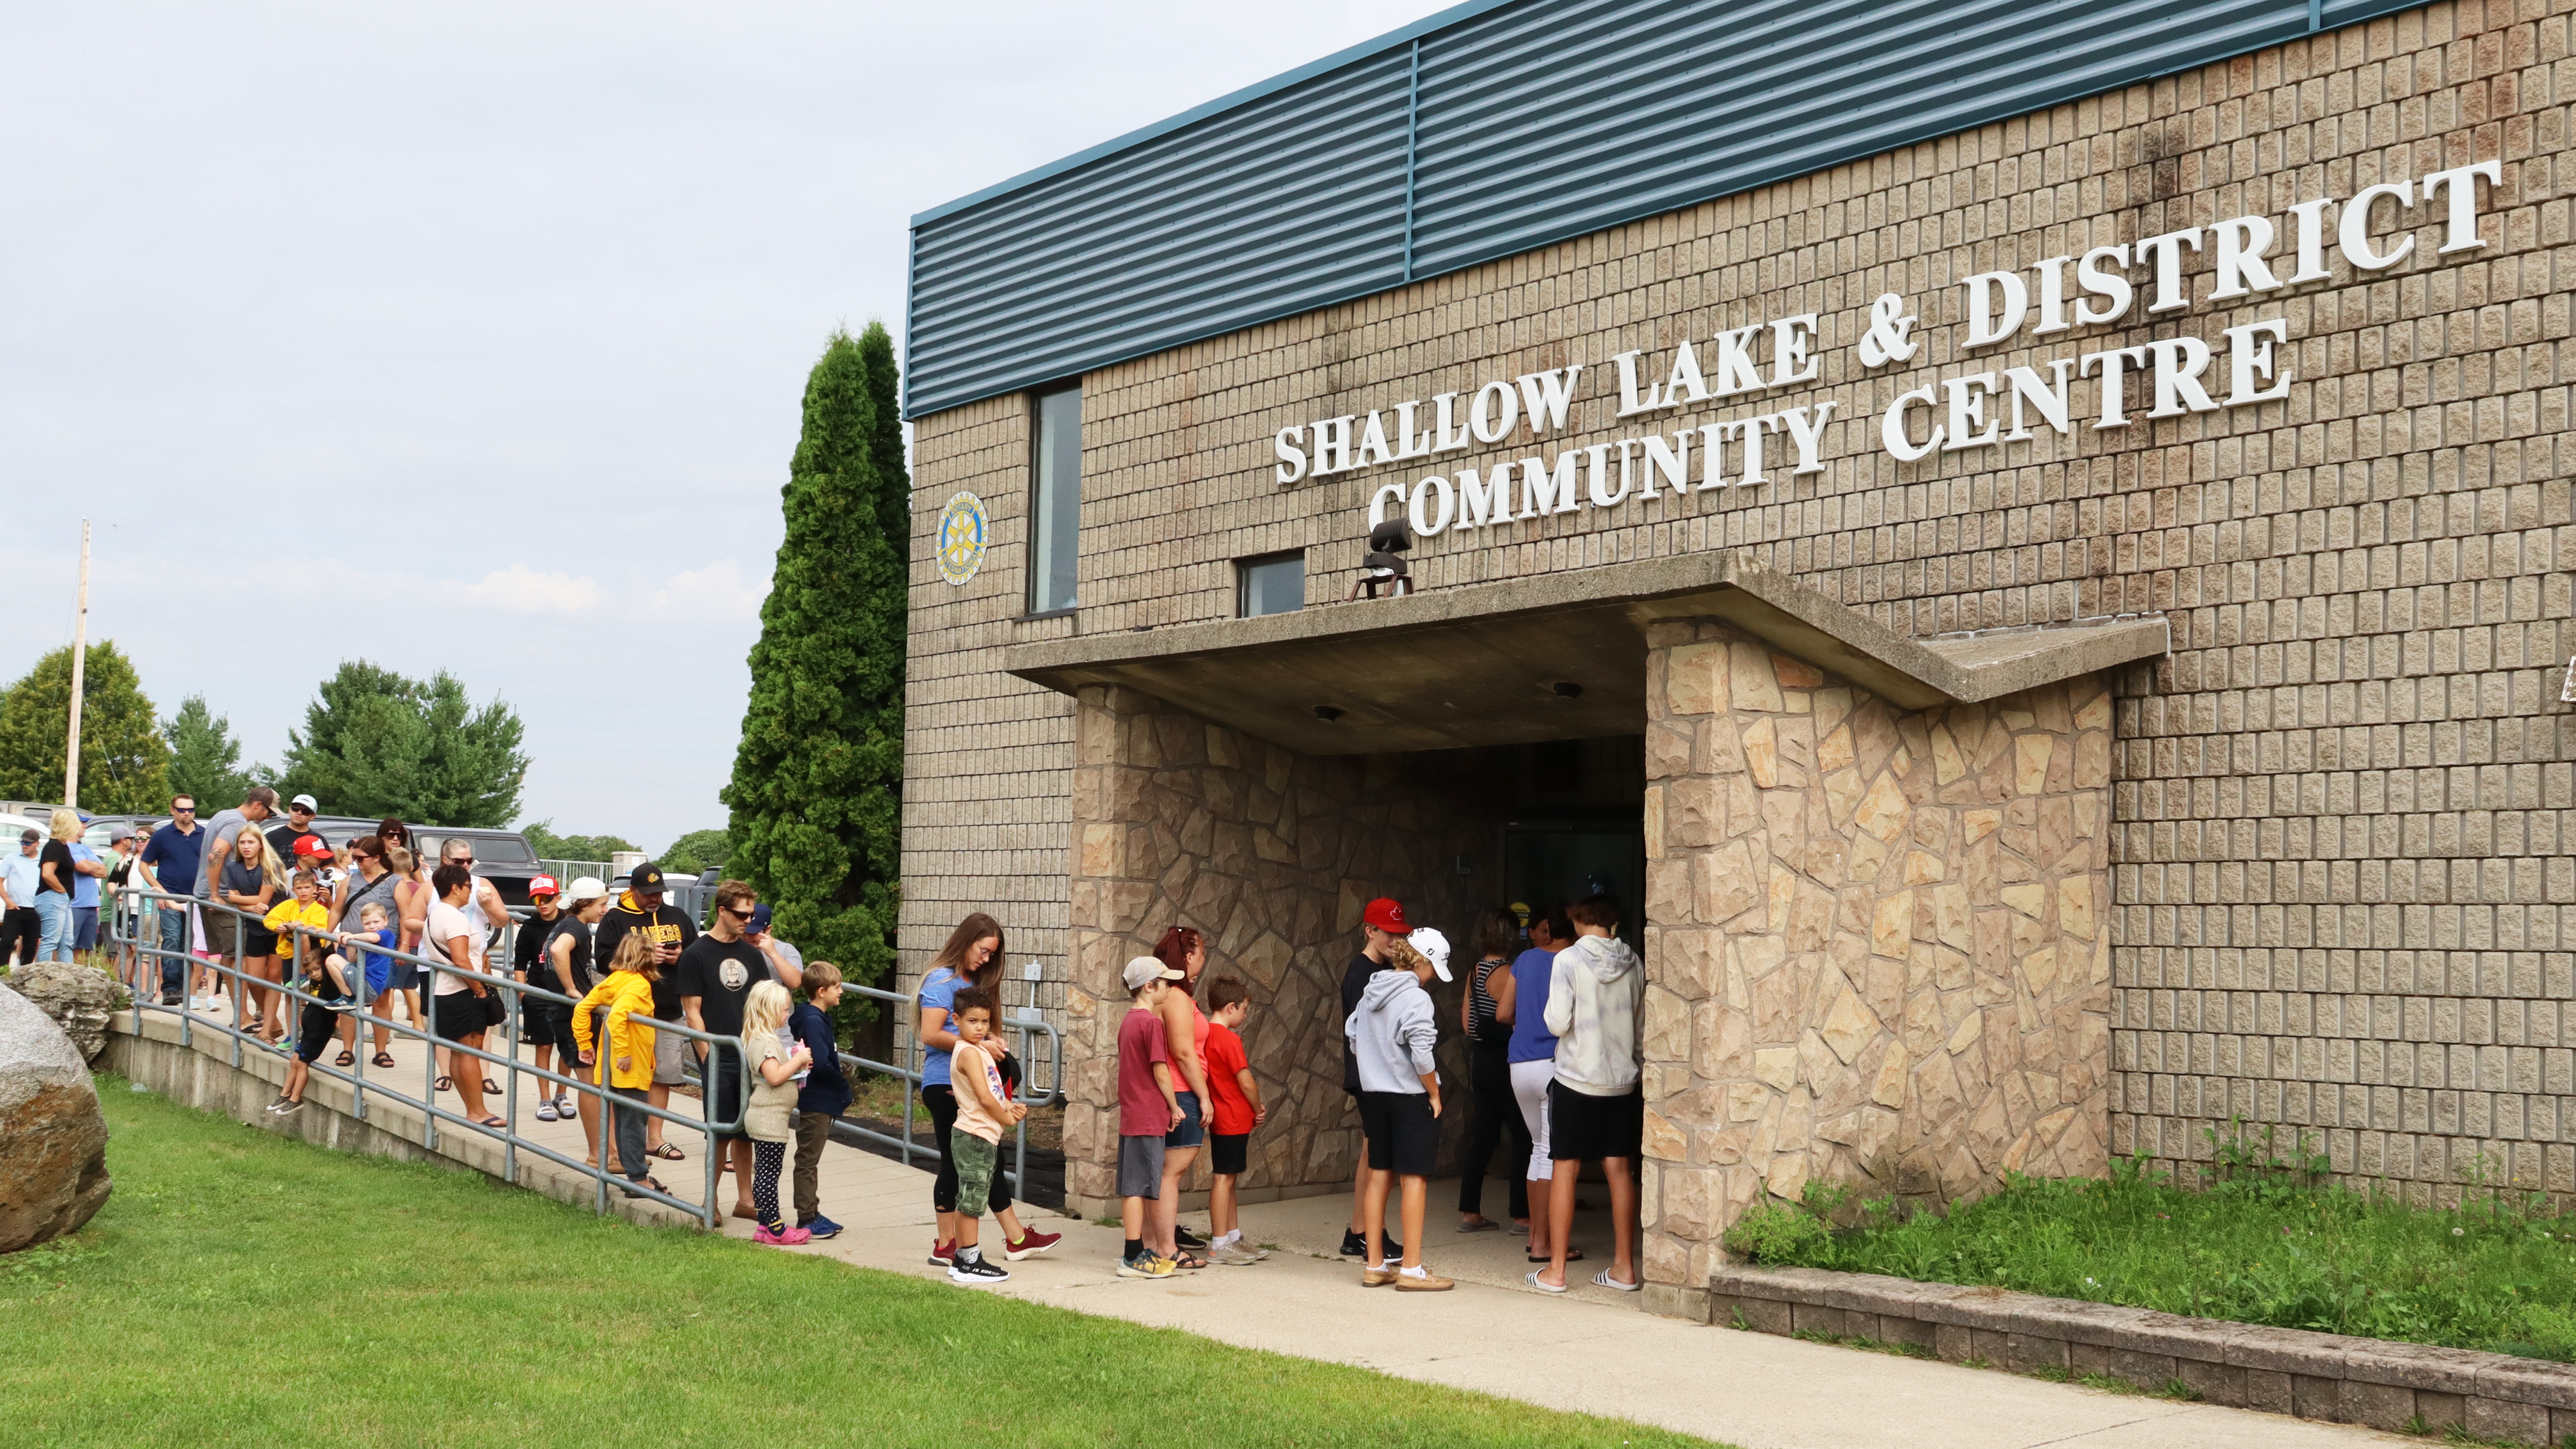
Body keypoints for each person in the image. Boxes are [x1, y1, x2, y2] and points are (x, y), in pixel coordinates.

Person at [915, 913, 1059, 1267]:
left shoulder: (971, 983)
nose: (987, 959)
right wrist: (981, 1047)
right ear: (965, 942)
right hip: (947, 1085)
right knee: (960, 1164)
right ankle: (950, 1244)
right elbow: (930, 1034)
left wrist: (991, 1040)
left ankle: (1015, 1238)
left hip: (969, 1083)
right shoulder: (940, 980)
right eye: (983, 950)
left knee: (985, 1162)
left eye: (993, 954)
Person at [1530, 893, 1645, 1296]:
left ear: (1579, 921)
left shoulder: (1568, 960)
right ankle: (1625, 1269)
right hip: (1621, 1081)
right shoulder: (1634, 962)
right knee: (1620, 1171)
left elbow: (1558, 1022)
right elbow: (1641, 1028)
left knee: (1566, 1166)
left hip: (1577, 1078)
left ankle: (1556, 1272)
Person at [676, 879, 802, 1220]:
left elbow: (765, 1002)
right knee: (720, 1134)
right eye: (741, 914)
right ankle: (710, 1200)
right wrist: (707, 1057)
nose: (748, 920)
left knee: (748, 1130)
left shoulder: (751, 954)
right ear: (721, 911)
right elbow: (693, 1012)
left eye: (750, 914)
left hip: (752, 1057)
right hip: (720, 1057)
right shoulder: (696, 955)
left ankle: (746, 1200)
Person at [1348, 921, 1453, 1291]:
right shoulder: (1416, 998)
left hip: (1375, 1095)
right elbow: (1422, 1054)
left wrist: (1375, 1068)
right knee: (1414, 1180)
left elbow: (1353, 1037)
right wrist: (1434, 1093)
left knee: (1380, 1176)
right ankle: (1411, 1270)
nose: (1432, 979)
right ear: (1423, 962)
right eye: (1433, 970)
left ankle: (1375, 1265)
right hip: (1409, 1098)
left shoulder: (1371, 989)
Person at [592, 861, 696, 1163]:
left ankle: (655, 1138)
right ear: (633, 891)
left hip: (667, 1011)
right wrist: (645, 957)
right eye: (648, 893)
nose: (655, 899)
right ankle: (612, 1146)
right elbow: (603, 962)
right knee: (622, 1079)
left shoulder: (676, 916)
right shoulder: (616, 918)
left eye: (659, 893)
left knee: (662, 1075)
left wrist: (680, 957)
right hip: (629, 1015)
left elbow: (695, 953)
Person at [1338, 897, 1412, 1261]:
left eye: (1401, 934)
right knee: (1377, 1155)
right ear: (1369, 931)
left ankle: (1359, 1232)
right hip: (1369, 1077)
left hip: (1372, 1075)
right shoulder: (1361, 974)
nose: (1396, 941)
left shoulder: (1380, 971)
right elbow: (1359, 1034)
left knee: (1372, 1153)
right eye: (1389, 934)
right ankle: (1369, 1233)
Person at [571, 930, 668, 1197]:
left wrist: (585, 1044)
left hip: (610, 1065)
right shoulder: (639, 985)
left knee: (624, 1120)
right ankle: (638, 1179)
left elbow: (582, 1008)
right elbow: (616, 1018)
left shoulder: (613, 980)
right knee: (635, 1122)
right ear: (647, 958)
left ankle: (631, 1174)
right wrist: (624, 1053)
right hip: (631, 1065)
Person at [942, 986, 1024, 1282]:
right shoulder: (967, 1053)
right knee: (971, 1201)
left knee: (972, 1197)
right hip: (974, 1135)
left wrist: (1010, 1107)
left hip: (983, 1134)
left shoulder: (979, 1050)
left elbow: (994, 1093)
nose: (980, 1028)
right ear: (956, 1020)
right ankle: (970, 1261)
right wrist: (1006, 1119)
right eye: (972, 1021)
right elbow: (985, 1099)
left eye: (985, 1022)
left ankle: (963, 1258)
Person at [1458, 906, 1532, 1232]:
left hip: (1481, 1060)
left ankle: (1470, 1211)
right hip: (1504, 1059)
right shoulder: (1507, 972)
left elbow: (1467, 1025)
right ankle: (1521, 1214)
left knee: (1483, 1136)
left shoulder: (1475, 971)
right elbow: (1518, 1018)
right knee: (1522, 1135)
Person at [1508, 904, 1575, 1267]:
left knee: (1537, 1149)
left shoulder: (1524, 960)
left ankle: (1537, 1237)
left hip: (1519, 1063)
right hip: (1554, 1064)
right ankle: (1543, 1244)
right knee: (1552, 1154)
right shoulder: (1571, 961)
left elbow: (1503, 1013)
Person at [1115, 954, 1185, 1279]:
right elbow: (1161, 1071)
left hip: (1133, 1112)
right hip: (1147, 1114)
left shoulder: (1129, 1021)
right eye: (1166, 982)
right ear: (1149, 986)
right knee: (1139, 1186)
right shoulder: (1152, 1023)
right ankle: (1132, 1256)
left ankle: (1135, 1251)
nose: (1169, 988)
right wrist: (1174, 1106)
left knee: (1135, 1185)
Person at [1147, 925, 1213, 1269]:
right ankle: (1167, 1248)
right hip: (1183, 1092)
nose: (1203, 958)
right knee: (1170, 1174)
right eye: (1201, 952)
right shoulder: (1176, 996)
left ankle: (1151, 1243)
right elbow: (1184, 1053)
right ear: (1189, 957)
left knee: (1161, 1172)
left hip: (1171, 1091)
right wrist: (1205, 1097)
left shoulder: (1166, 995)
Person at [434, 835, 514, 1097]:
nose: (467, 865)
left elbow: (503, 921)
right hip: (455, 971)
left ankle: (484, 1076)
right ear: (445, 860)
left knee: (481, 1028)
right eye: (460, 861)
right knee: (460, 1039)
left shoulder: (481, 886)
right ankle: (452, 1080)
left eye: (470, 861)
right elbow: (411, 919)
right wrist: (479, 991)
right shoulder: (436, 892)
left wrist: (488, 905)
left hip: (476, 963)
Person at [263, 902, 359, 1119]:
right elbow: (312, 957)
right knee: (294, 1060)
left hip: (319, 1029)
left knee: (302, 1063)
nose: (315, 974)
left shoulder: (330, 982)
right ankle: (285, 1093)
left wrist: (317, 933)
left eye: (317, 970)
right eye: (311, 971)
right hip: (309, 1026)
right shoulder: (312, 981)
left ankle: (296, 1099)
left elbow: (324, 954)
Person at [425, 862, 503, 1130]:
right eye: (469, 886)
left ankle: (473, 1110)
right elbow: (461, 959)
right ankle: (478, 1111)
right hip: (464, 992)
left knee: (459, 1053)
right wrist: (480, 990)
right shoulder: (455, 918)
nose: (472, 891)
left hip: (446, 990)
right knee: (469, 1052)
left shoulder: (435, 913)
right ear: (455, 888)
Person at [737, 979, 812, 1246]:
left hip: (772, 1119)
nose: (788, 1015)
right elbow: (775, 1076)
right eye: (784, 1010)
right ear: (768, 1011)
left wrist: (798, 1066)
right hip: (767, 1119)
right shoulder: (763, 1043)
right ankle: (777, 1228)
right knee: (768, 1175)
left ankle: (763, 1227)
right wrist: (798, 1060)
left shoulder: (765, 1041)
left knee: (769, 1171)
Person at [1200, 974, 1267, 1265]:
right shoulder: (1229, 1039)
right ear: (1230, 1007)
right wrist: (1258, 1107)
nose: (1245, 1015)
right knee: (1224, 1179)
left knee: (1229, 1179)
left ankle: (1233, 1236)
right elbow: (1246, 1081)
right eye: (1243, 1009)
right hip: (1233, 1117)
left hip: (1224, 1117)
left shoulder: (1204, 1034)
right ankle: (1219, 1243)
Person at [543, 878, 611, 1147]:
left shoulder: (564, 924)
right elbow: (558, 950)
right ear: (584, 904)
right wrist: (572, 989)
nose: (604, 910)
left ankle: (604, 1149)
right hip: (573, 1014)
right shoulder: (578, 928)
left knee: (592, 1081)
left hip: (565, 1012)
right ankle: (598, 1152)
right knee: (591, 1084)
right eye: (602, 905)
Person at [787, 961, 850, 1239]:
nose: (842, 991)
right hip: (817, 1098)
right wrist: (842, 1085)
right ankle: (807, 1217)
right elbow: (821, 1063)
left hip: (822, 1097)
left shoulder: (817, 1018)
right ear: (822, 991)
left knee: (810, 1157)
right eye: (837, 987)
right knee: (808, 1159)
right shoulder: (813, 1020)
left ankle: (812, 1210)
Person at [332, 836, 407, 1067]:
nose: (356, 862)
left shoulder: (396, 882)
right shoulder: (350, 880)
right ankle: (347, 1049)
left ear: (376, 858)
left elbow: (406, 915)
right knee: (350, 998)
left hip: (383, 952)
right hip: (350, 948)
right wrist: (327, 938)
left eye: (361, 858)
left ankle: (381, 1050)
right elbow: (337, 909)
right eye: (354, 857)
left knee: (382, 1000)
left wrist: (404, 946)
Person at [216, 825, 287, 1042]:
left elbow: (262, 900)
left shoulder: (271, 866)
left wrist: (239, 900)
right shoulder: (234, 868)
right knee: (254, 980)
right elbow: (235, 898)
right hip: (255, 927)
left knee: (274, 978)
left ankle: (267, 1030)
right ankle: (272, 1022)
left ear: (260, 845)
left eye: (251, 842)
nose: (246, 847)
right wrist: (246, 905)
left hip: (277, 927)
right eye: (242, 843)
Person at [137, 795, 206, 1004]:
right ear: (173, 811)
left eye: (191, 810)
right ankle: (171, 988)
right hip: (170, 896)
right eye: (182, 810)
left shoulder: (205, 834)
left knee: (190, 943)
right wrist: (158, 889)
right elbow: (144, 865)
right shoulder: (162, 836)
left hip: (196, 898)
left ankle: (186, 987)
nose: (187, 813)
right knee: (172, 940)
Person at [263, 869, 336, 1057]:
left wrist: (297, 924)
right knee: (290, 996)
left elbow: (320, 927)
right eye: (299, 888)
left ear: (314, 889)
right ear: (294, 889)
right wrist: (279, 925)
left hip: (311, 957)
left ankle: (304, 974)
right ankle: (292, 1034)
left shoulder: (320, 908)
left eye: (307, 887)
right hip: (289, 955)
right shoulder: (289, 905)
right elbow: (270, 918)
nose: (303, 892)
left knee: (313, 998)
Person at [512, 874, 568, 1111]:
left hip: (566, 994)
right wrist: (524, 995)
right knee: (543, 1046)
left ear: (558, 897)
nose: (542, 903)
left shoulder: (569, 923)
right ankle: (545, 1100)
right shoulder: (529, 927)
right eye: (537, 899)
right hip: (538, 993)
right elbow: (519, 964)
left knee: (568, 1046)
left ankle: (562, 1095)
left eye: (547, 898)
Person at [33, 809, 81, 963]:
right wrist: (61, 890)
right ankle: (43, 979)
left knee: (66, 941)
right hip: (53, 897)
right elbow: (47, 873)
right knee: (51, 941)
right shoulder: (54, 846)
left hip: (62, 899)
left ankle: (67, 975)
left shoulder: (62, 846)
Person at [66, 818, 108, 967]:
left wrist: (92, 867)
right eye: (81, 823)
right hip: (75, 905)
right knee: (67, 945)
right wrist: (92, 866)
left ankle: (80, 982)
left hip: (91, 904)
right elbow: (82, 867)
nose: (85, 826)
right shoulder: (66, 848)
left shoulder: (85, 849)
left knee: (85, 949)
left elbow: (104, 871)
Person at [0, 827, 41, 969]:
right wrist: (8, 902)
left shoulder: (43, 859)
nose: (24, 846)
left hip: (35, 908)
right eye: (23, 843)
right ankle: (2, 971)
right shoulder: (12, 858)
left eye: (28, 843)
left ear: (37, 844)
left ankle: (25, 971)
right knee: (7, 941)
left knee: (31, 944)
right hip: (15, 907)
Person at [265, 794, 327, 865]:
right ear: (289, 809)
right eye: (296, 808)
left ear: (313, 816)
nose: (299, 813)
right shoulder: (272, 837)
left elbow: (327, 868)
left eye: (306, 811)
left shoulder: (318, 840)